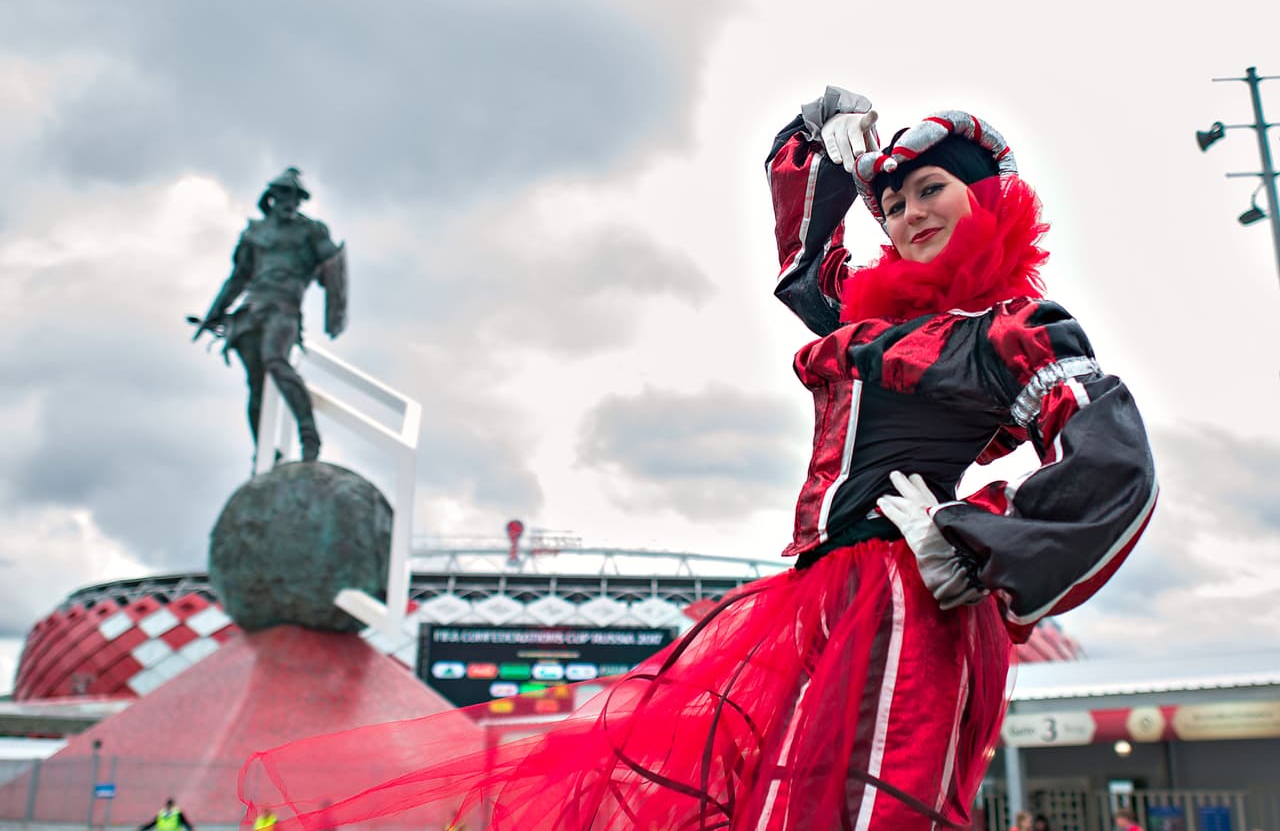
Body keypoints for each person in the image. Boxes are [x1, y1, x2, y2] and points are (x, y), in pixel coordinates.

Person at [238, 88, 1156, 830]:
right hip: (818, 599)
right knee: (779, 800)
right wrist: (817, 134)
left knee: (876, 801)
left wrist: (983, 543)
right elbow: (808, 262)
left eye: (934, 191)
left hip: (906, 601)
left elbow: (1113, 460)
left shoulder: (1006, 334)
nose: (910, 212)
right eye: (896, 197)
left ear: (985, 194)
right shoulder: (877, 323)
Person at [193, 167, 346, 464]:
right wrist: (213, 314)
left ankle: (308, 435)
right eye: (285, 193)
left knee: (275, 360)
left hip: (284, 308)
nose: (290, 201)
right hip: (251, 310)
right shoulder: (255, 233)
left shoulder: (311, 231)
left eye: (296, 196)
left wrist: (332, 280)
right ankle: (263, 450)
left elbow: (333, 264)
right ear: (273, 195)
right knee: (256, 384)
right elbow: (237, 279)